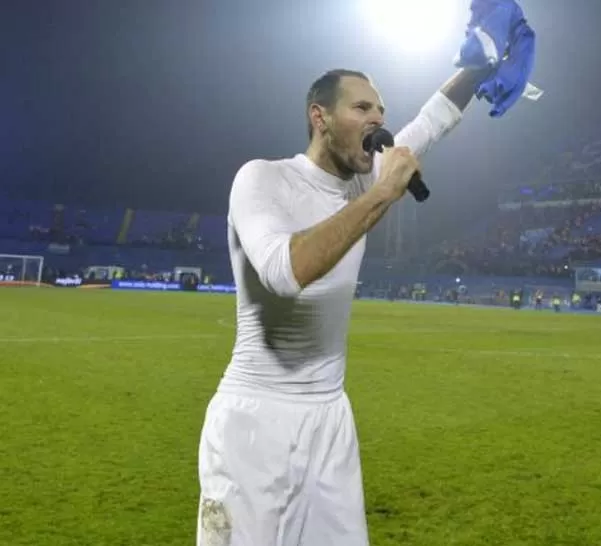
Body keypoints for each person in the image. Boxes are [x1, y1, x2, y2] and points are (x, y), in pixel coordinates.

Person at [196, 66, 489, 546]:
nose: (377, 119)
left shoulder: (359, 182)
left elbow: (433, 120)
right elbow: (284, 272)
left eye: (381, 111)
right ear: (321, 117)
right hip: (254, 422)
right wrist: (382, 193)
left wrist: (479, 68)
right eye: (361, 108)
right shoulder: (263, 179)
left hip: (330, 419)